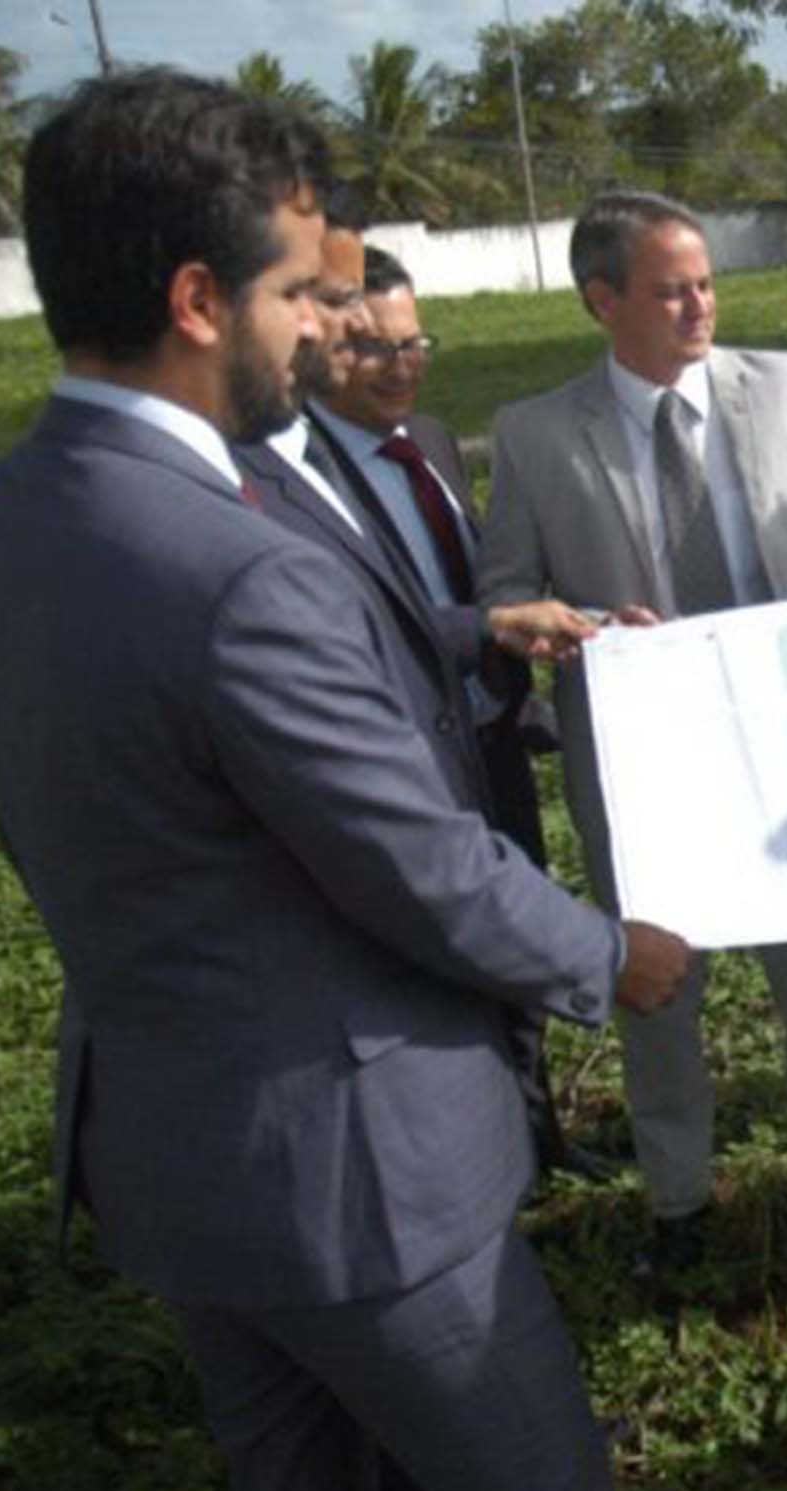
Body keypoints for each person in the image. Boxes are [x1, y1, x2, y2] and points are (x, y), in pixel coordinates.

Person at [0, 70, 692, 1491]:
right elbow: (416, 865)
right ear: (200, 299)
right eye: (296, 293)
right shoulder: (234, 569)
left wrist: (466, 631)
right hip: (351, 1179)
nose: (323, 330)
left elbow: (9, 781)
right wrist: (612, 955)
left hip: (163, 1150)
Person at [478, 189, 787, 1266]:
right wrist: (587, 625)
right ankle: (679, 1198)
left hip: (781, 728)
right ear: (602, 301)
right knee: (660, 979)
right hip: (643, 762)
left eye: (707, 283)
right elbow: (505, 592)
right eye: (671, 289)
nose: (699, 306)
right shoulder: (538, 436)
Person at [236, 204, 615, 1188]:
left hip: (488, 738)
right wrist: (485, 632)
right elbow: (374, 627)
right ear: (319, 342)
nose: (402, 366)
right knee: (445, 961)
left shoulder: (434, 442)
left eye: (415, 344)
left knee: (519, 931)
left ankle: (537, 1137)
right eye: (372, 349)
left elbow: (487, 583)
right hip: (398, 757)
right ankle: (482, 1154)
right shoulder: (289, 480)